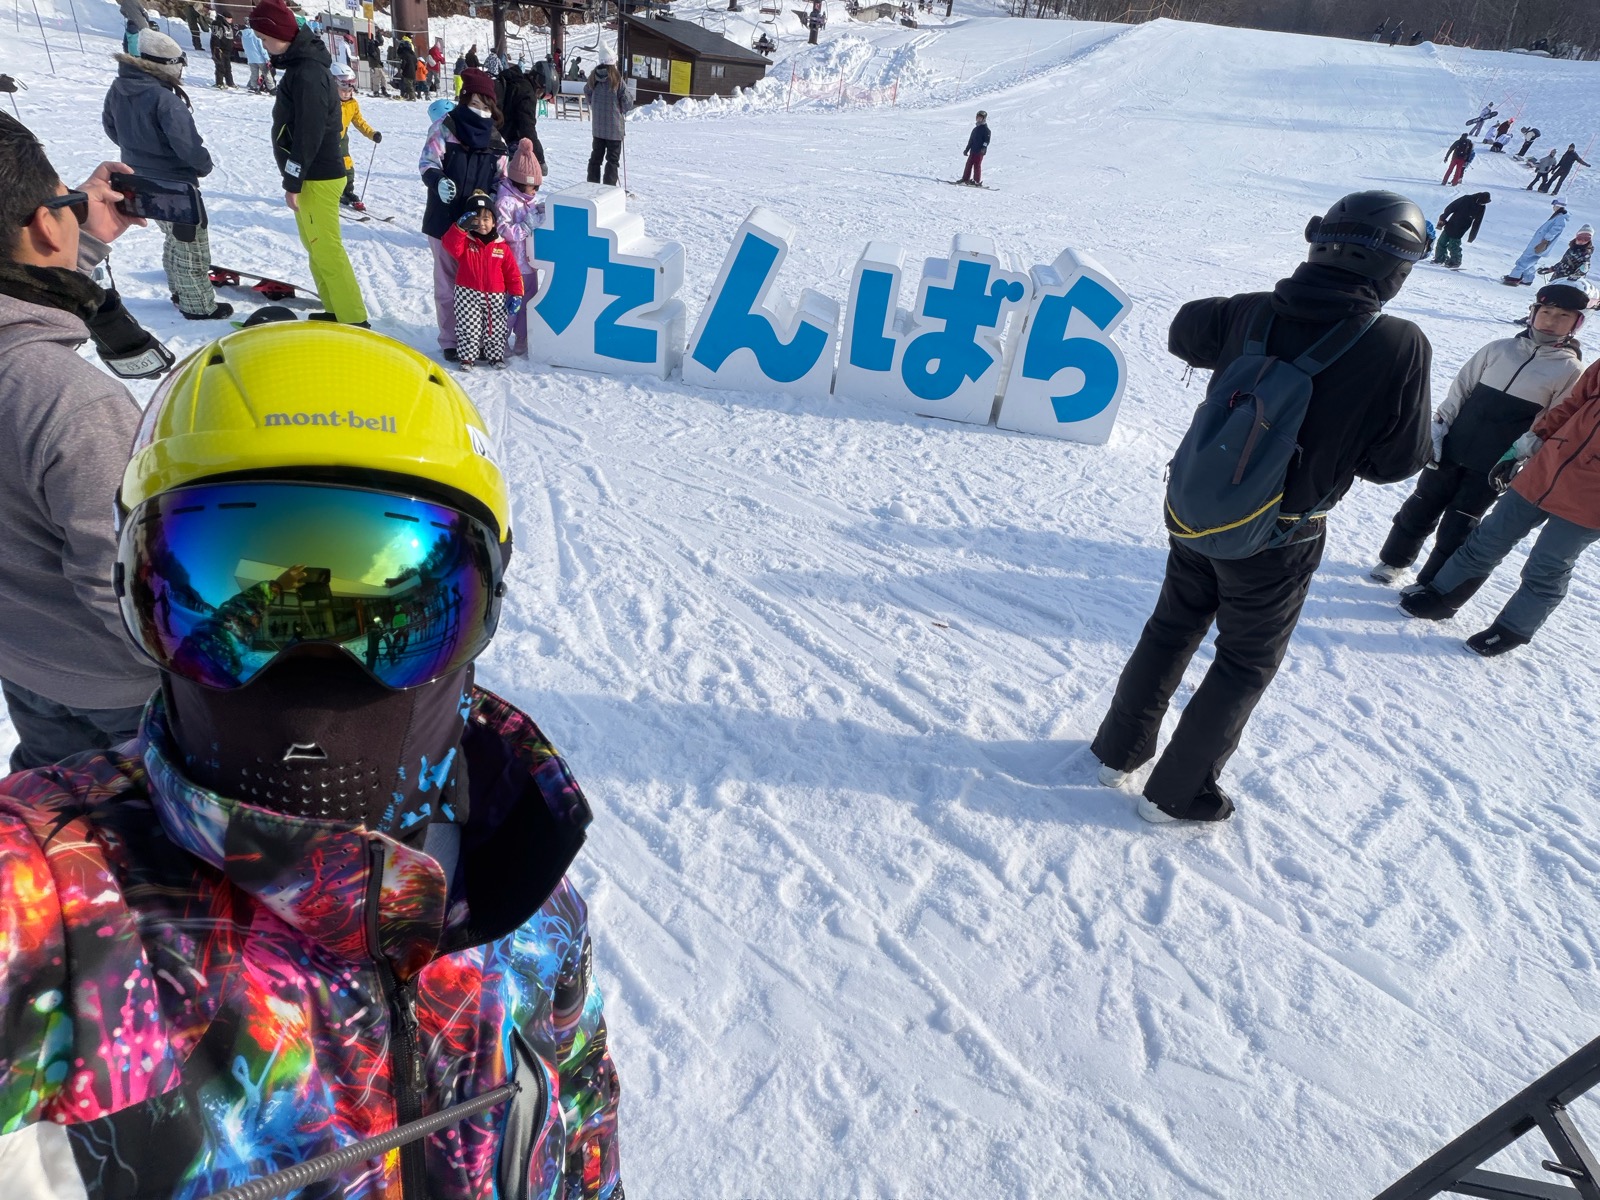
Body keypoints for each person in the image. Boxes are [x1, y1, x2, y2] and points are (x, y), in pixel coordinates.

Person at [0, 321, 625, 1197]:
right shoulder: (59, 900)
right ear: (134, 594)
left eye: (388, 610)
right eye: (231, 608)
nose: (314, 670)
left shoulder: (527, 899)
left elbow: (583, 1135)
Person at [1091, 191, 1431, 823]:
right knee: (1244, 660)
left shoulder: (1249, 312)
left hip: (1199, 508)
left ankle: (1117, 752)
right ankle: (1176, 794)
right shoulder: (1398, 343)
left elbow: (1182, 330)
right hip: (1282, 534)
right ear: (1392, 271)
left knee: (1170, 629)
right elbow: (1396, 464)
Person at [0, 115, 163, 771]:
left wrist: (84, 240)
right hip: (118, 693)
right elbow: (123, 584)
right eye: (64, 201)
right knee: (143, 841)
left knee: (55, 814)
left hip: (24, 662)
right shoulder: (73, 404)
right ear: (43, 225)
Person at [1369, 283, 1584, 587]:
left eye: (1563, 316)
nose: (1551, 320)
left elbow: (1552, 419)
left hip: (1496, 459)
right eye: (1546, 312)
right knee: (1422, 504)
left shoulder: (1569, 370)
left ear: (1576, 324)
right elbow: (1461, 388)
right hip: (1454, 444)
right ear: (1533, 313)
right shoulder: (1499, 349)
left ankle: (1430, 580)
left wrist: (1519, 455)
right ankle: (1394, 560)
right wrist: (1440, 426)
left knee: (1460, 522)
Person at [1399, 347, 1600, 656]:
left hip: (1589, 501)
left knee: (1548, 566)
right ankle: (1441, 597)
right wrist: (1529, 443)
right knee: (1488, 538)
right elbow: (1571, 406)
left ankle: (1511, 631)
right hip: (1544, 471)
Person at [249, 0, 369, 325]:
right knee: (315, 247)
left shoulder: (308, 72)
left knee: (326, 249)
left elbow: (308, 133)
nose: (263, 45)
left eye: (264, 38)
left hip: (318, 176)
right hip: (311, 175)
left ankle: (353, 319)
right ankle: (334, 310)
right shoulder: (301, 67)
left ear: (280, 34)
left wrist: (293, 180)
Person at [102, 30, 231, 321]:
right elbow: (187, 146)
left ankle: (179, 290)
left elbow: (111, 128)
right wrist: (203, 165)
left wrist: (136, 152)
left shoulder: (120, 87)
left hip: (136, 180)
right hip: (174, 186)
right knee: (190, 245)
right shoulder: (164, 99)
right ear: (167, 64)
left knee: (173, 238)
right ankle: (197, 306)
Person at [420, 68, 507, 360]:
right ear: (463, 99)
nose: (480, 111)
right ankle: (451, 339)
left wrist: (492, 202)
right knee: (447, 283)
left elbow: (500, 180)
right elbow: (428, 161)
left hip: (479, 225)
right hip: (444, 221)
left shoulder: (496, 141)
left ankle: (478, 339)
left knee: (479, 284)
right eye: (475, 104)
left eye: (486, 106)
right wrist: (438, 181)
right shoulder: (445, 128)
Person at [444, 189, 522, 369]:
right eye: (476, 219)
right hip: (466, 294)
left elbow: (512, 273)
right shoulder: (465, 241)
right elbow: (451, 247)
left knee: (496, 329)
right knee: (468, 327)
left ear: (494, 222)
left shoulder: (501, 247)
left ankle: (495, 357)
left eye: (486, 219)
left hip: (496, 296)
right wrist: (460, 228)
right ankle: (467, 358)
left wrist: (516, 294)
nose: (481, 224)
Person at [496, 137, 543, 355]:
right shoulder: (506, 201)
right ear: (518, 182)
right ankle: (500, 338)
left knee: (529, 304)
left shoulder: (528, 199)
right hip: (512, 266)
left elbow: (534, 217)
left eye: (536, 187)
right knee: (510, 305)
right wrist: (525, 226)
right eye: (531, 187)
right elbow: (502, 231)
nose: (534, 192)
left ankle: (523, 337)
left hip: (530, 264)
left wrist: (541, 212)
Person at [331, 61, 380, 210]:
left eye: (350, 89)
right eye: (343, 89)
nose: (347, 92)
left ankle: (348, 191)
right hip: (326, 139)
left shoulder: (352, 104)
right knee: (331, 166)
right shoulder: (328, 102)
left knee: (347, 165)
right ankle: (332, 192)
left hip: (342, 138)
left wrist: (372, 134)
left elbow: (359, 121)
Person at [584, 53, 630, 187]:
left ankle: (592, 186)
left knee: (595, 158)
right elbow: (627, 102)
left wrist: (594, 103)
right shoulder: (616, 79)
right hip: (614, 129)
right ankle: (608, 189)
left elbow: (587, 91)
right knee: (612, 160)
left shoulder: (593, 78)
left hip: (598, 128)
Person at [1503, 196, 1569, 286]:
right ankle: (1527, 278)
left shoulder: (1560, 218)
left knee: (1525, 259)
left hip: (1541, 243)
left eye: (1554, 205)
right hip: (1540, 242)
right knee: (1532, 260)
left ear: (1557, 205)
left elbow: (1555, 229)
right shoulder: (1558, 216)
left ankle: (1514, 277)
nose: (1553, 207)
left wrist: (1546, 239)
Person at [495, 56, 546, 172]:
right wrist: (540, 159)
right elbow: (527, 128)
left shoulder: (515, 81)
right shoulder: (527, 92)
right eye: (543, 94)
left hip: (494, 133)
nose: (540, 97)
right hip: (502, 141)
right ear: (539, 85)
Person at [1431, 190, 1489, 269]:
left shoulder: (1481, 207)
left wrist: (1472, 236)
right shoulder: (1466, 199)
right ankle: (1439, 258)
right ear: (1479, 198)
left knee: (1453, 245)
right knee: (1442, 241)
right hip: (1452, 223)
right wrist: (1443, 217)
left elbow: (1477, 222)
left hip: (1462, 228)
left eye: (1485, 203)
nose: (1483, 204)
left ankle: (1455, 261)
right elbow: (1451, 207)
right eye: (1483, 202)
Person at [961, 109, 990, 186]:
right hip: (973, 150)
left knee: (977, 165)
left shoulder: (986, 130)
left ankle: (976, 181)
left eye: (980, 118)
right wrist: (966, 149)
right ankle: (965, 179)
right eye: (977, 117)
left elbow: (986, 141)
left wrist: (983, 148)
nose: (978, 119)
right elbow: (971, 141)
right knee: (968, 164)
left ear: (984, 119)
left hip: (979, 151)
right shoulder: (975, 129)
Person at [241, 21, 271, 92]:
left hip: (251, 58)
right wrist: (267, 58)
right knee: (267, 74)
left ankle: (253, 87)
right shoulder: (256, 35)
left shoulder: (243, 35)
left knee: (254, 74)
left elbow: (244, 47)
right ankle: (271, 88)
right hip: (260, 59)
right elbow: (261, 48)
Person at [210, 11, 236, 88]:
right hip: (219, 49)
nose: (231, 20)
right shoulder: (218, 24)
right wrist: (216, 48)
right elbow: (215, 38)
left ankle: (230, 82)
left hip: (227, 50)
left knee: (228, 67)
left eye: (231, 19)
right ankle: (219, 83)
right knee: (220, 66)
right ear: (225, 18)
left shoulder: (229, 26)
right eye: (229, 19)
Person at [364, 26, 387, 96]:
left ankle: (384, 89)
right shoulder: (372, 46)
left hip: (377, 64)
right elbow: (374, 55)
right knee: (376, 78)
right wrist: (379, 61)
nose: (381, 44)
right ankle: (376, 91)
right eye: (380, 43)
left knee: (383, 77)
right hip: (374, 64)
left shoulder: (375, 46)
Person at [397, 32, 418, 100]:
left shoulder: (405, 52)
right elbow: (416, 62)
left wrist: (402, 69)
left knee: (407, 84)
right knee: (411, 83)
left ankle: (411, 96)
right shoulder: (413, 55)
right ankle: (408, 95)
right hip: (413, 70)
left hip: (407, 71)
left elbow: (404, 62)